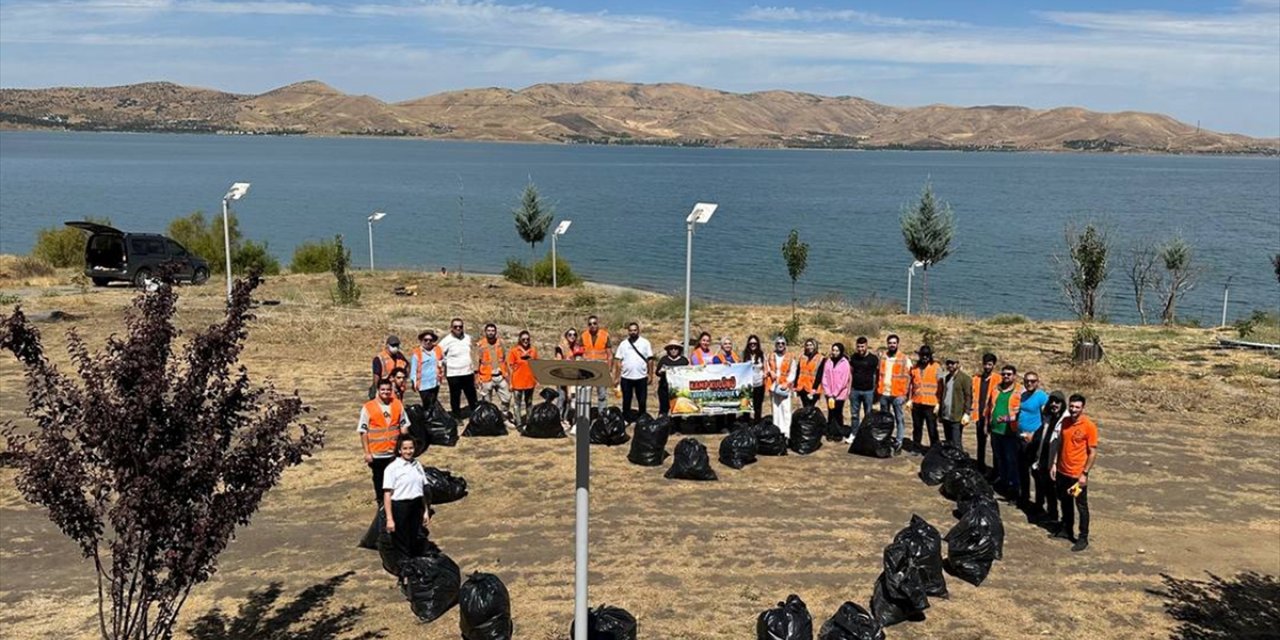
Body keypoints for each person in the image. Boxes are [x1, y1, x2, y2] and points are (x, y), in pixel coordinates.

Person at [1051, 394, 1098, 552]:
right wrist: (1055, 464)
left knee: (1081, 506)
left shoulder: (1088, 426)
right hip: (1063, 471)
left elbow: (1092, 452)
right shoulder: (1064, 422)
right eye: (1071, 406)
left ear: (1082, 408)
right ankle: (1066, 529)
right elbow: (1060, 444)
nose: (1073, 410)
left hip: (1077, 474)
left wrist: (1084, 473)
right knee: (1065, 501)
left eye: (1077, 407)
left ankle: (1083, 537)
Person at [357, 379, 409, 505]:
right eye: (383, 390)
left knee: (396, 478)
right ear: (378, 390)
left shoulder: (397, 404)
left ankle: (395, 501)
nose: (386, 392)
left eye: (388, 390)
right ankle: (381, 502)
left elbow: (404, 425)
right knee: (379, 479)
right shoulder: (368, 407)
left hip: (394, 451)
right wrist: (367, 453)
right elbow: (363, 431)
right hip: (377, 452)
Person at [382, 434, 431, 562]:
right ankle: (404, 575)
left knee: (414, 538)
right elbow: (387, 494)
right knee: (401, 542)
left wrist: (426, 510)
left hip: (416, 506)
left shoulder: (417, 465)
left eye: (411, 448)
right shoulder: (392, 469)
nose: (408, 451)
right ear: (399, 450)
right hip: (400, 507)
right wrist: (389, 519)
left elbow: (423, 490)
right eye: (405, 448)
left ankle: (414, 570)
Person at [1031, 391, 1068, 525]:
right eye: (1052, 401)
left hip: (1055, 460)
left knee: (1053, 490)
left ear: (1062, 404)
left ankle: (1054, 515)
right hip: (1043, 456)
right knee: (1043, 485)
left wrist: (1056, 462)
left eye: (1057, 402)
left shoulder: (1065, 420)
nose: (1054, 404)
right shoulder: (1048, 417)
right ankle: (1042, 509)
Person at [987, 365, 1023, 498]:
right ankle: (1003, 483)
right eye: (1004, 374)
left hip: (1011, 432)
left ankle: (1014, 488)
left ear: (1014, 376)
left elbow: (1023, 411)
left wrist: (1009, 419)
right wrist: (988, 423)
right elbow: (990, 406)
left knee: (1011, 460)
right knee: (999, 458)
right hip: (996, 431)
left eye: (1009, 374)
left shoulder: (1020, 391)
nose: (1006, 376)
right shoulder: (996, 389)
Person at [1016, 371, 1050, 507]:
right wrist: (1005, 419)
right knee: (1022, 470)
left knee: (1035, 472)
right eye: (1027, 381)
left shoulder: (1042, 397)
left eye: (1032, 381)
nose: (1029, 383)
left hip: (1033, 440)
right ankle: (1024, 497)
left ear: (1037, 382)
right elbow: (1019, 414)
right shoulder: (1023, 396)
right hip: (1020, 437)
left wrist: (1035, 436)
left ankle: (1039, 502)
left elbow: (1046, 420)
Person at [613, 322, 654, 421]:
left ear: (638, 331)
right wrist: (617, 377)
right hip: (626, 377)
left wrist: (650, 374)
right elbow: (618, 361)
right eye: (630, 330)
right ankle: (626, 418)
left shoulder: (645, 343)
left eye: (635, 330)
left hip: (641, 377)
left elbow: (650, 360)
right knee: (626, 400)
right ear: (628, 332)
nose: (633, 332)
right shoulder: (623, 344)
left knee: (642, 400)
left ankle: (642, 419)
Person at [877, 334, 912, 451]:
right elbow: (878, 374)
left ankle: (899, 441)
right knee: (884, 419)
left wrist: (906, 395)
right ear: (887, 344)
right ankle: (885, 439)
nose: (892, 345)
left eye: (894, 343)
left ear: (897, 344)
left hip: (898, 394)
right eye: (890, 343)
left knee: (899, 419)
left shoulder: (904, 359)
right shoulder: (883, 357)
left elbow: (911, 378)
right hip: (884, 393)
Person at [438, 318, 478, 419]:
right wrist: (443, 365)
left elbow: (474, 351)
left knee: (471, 394)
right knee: (455, 396)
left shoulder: (468, 338)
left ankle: (475, 414)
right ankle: (456, 416)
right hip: (453, 373)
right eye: (455, 327)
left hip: (467, 372)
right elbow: (438, 354)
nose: (458, 328)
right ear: (451, 328)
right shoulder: (446, 341)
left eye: (460, 326)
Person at [908, 345, 942, 454]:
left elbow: (941, 387)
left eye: (927, 355)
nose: (925, 357)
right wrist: (910, 400)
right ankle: (916, 447)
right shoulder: (914, 368)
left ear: (930, 356)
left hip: (931, 404)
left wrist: (938, 403)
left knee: (932, 428)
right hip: (917, 402)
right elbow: (911, 385)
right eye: (923, 355)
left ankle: (934, 449)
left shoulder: (936, 367)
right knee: (917, 427)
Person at [970, 353, 1001, 474]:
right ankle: (980, 466)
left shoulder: (999, 379)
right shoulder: (976, 379)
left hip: (992, 416)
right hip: (980, 415)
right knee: (980, 443)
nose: (987, 367)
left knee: (994, 445)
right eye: (985, 364)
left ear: (993, 365)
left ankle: (996, 470)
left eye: (990, 364)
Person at [474, 323, 511, 415]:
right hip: (486, 377)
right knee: (487, 402)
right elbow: (476, 363)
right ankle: (489, 419)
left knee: (507, 397)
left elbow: (505, 360)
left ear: (496, 332)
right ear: (485, 332)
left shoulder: (500, 343)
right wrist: (476, 379)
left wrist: (508, 376)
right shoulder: (480, 345)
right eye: (489, 331)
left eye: (493, 331)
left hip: (500, 375)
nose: (491, 333)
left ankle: (504, 415)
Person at [506, 330, 538, 427]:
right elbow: (510, 367)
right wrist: (510, 383)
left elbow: (536, 365)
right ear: (520, 339)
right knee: (517, 404)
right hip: (517, 382)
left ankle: (529, 422)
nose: (525, 341)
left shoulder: (533, 350)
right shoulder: (514, 351)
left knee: (529, 403)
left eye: (527, 339)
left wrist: (537, 379)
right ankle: (519, 423)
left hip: (530, 381)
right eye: (523, 339)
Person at [765, 336, 797, 435]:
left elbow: (793, 372)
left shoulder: (791, 357)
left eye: (782, 343)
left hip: (784, 387)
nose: (780, 345)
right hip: (773, 386)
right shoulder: (770, 355)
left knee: (786, 409)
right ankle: (777, 430)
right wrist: (770, 372)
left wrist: (787, 383)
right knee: (775, 408)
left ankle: (786, 432)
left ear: (785, 345)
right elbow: (766, 367)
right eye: (778, 343)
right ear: (775, 345)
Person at [938, 359, 972, 445]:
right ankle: (950, 458)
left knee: (956, 442)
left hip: (956, 416)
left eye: (952, 363)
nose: (950, 365)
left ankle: (958, 457)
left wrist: (967, 413)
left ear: (957, 364)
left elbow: (968, 396)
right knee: (948, 441)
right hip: (946, 415)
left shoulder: (965, 378)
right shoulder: (947, 377)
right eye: (948, 363)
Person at [848, 336, 879, 432]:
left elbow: (876, 375)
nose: (860, 349)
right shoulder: (853, 357)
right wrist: (849, 389)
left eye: (862, 346)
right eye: (858, 346)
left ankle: (867, 434)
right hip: (855, 390)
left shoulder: (873, 359)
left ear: (866, 346)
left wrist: (876, 390)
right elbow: (850, 373)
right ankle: (854, 433)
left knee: (868, 414)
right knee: (854, 414)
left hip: (868, 391)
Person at [821, 342, 851, 440]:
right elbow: (824, 377)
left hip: (839, 394)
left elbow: (844, 380)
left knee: (838, 413)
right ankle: (830, 432)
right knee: (831, 413)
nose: (834, 352)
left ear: (841, 351)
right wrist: (828, 393)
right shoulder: (828, 362)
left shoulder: (845, 363)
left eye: (837, 350)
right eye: (833, 350)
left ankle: (838, 433)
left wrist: (835, 394)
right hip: (829, 394)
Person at [409, 331, 444, 409]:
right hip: (423, 384)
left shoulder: (437, 350)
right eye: (425, 340)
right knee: (427, 405)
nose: (428, 342)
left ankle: (432, 418)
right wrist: (414, 383)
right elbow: (413, 370)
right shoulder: (417, 353)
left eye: (430, 340)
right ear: (421, 340)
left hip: (435, 383)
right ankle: (427, 419)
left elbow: (442, 361)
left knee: (434, 403)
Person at [555, 328, 582, 422]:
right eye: (570, 334)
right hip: (561, 376)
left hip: (572, 376)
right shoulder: (561, 347)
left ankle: (565, 418)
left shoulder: (576, 348)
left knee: (569, 399)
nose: (572, 336)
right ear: (566, 336)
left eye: (574, 334)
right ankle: (558, 419)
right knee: (561, 398)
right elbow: (558, 363)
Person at [656, 338, 689, 416]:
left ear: (679, 350)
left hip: (679, 390)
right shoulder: (663, 360)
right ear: (668, 350)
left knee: (678, 409)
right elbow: (657, 372)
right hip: (664, 389)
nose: (673, 350)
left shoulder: (684, 361)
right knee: (664, 409)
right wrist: (661, 371)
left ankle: (677, 426)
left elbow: (688, 373)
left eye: (675, 348)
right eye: (671, 348)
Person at [370, 335, 409, 399]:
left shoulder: (400, 356)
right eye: (393, 345)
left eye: (397, 345)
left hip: (398, 390)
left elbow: (407, 365)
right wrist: (377, 390)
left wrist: (404, 379)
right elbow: (376, 376)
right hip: (385, 389)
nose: (395, 347)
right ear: (387, 345)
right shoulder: (379, 358)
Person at [795, 338, 826, 409]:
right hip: (802, 387)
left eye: (811, 345)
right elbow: (798, 371)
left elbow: (819, 374)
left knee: (810, 408)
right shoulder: (802, 357)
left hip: (813, 388)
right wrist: (795, 385)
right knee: (805, 407)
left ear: (815, 346)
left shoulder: (821, 358)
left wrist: (814, 389)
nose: (809, 347)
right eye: (807, 345)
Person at [742, 335, 766, 421]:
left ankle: (757, 423)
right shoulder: (744, 355)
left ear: (757, 344)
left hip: (759, 384)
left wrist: (765, 375)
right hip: (747, 385)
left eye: (755, 343)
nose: (753, 345)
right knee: (746, 406)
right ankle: (746, 424)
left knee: (757, 406)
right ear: (748, 344)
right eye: (751, 343)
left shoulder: (761, 355)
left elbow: (765, 367)